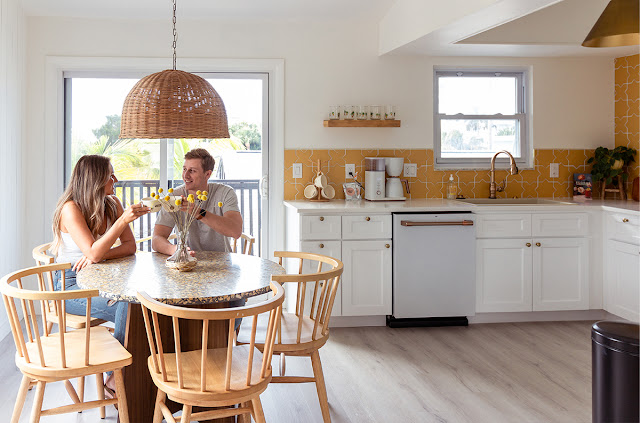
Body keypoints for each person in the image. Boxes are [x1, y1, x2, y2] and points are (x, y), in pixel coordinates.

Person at [51, 155, 150, 346]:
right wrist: (122, 221)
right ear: (95, 180)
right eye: (110, 176)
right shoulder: (70, 209)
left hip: (101, 277)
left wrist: (98, 257)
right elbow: (93, 253)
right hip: (70, 285)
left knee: (145, 301)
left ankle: (137, 371)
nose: (116, 180)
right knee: (129, 307)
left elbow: (130, 247)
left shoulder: (112, 203)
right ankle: (118, 373)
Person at [152, 148, 242, 254]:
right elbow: (157, 239)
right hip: (186, 263)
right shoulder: (174, 197)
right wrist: (175, 250)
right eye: (184, 169)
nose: (185, 175)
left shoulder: (225, 193)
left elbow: (235, 231)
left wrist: (198, 212)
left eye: (192, 171)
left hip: (221, 263)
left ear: (207, 174)